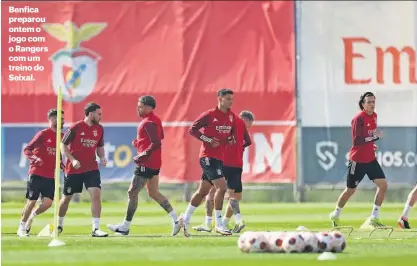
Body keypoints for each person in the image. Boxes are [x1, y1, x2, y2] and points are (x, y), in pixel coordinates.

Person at [107, 96, 182, 236]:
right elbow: (160, 137)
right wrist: (140, 143)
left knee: (132, 192)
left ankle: (125, 227)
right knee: (153, 193)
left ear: (148, 108)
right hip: (154, 162)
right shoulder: (155, 120)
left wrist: (144, 153)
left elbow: (157, 142)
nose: (137, 108)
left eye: (140, 106)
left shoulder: (148, 122)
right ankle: (176, 220)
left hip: (146, 163)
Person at [182, 88, 237, 237]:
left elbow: (229, 136)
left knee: (202, 191)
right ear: (220, 99)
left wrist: (231, 140)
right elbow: (192, 129)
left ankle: (185, 218)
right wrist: (207, 140)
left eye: (232, 99)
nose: (230, 102)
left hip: (219, 158)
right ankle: (218, 224)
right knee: (222, 187)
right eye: (227, 99)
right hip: (207, 156)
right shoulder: (209, 115)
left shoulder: (231, 117)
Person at [329, 92, 387, 228]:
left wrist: (372, 144)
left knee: (383, 185)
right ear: (363, 104)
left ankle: (374, 217)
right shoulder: (358, 119)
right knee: (350, 190)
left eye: (373, 102)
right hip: (358, 161)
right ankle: (336, 214)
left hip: (370, 159)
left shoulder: (374, 116)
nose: (372, 105)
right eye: (369, 102)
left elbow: (368, 137)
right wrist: (374, 138)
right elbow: (357, 141)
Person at [192, 110, 254, 233]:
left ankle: (213, 223)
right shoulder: (236, 129)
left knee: (216, 193)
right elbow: (248, 142)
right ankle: (225, 222)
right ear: (245, 120)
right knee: (232, 195)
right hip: (235, 166)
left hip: (224, 164)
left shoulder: (230, 128)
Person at [58, 102, 109, 237]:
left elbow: (100, 146)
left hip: (91, 168)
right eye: (99, 114)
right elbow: (62, 145)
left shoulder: (100, 129)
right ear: (91, 114)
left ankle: (96, 229)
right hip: (74, 169)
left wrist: (102, 157)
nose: (101, 116)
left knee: (96, 195)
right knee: (66, 198)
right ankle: (58, 225)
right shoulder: (75, 127)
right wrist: (73, 159)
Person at [17, 109, 64, 237]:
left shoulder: (62, 136)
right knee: (31, 201)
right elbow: (27, 149)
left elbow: (58, 154)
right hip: (36, 173)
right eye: (61, 118)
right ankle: (21, 227)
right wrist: (35, 159)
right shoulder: (42, 134)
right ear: (53, 119)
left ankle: (31, 217)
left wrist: (62, 165)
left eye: (63, 118)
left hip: (50, 175)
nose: (63, 121)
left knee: (48, 203)